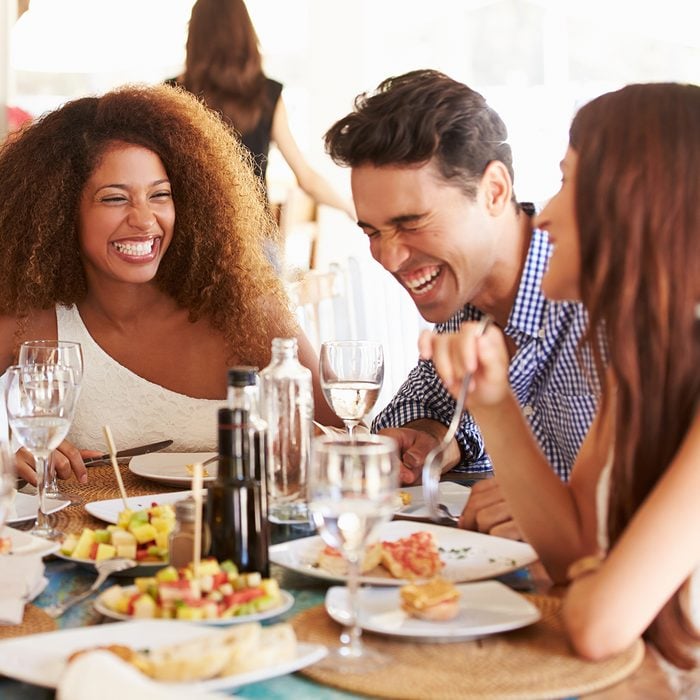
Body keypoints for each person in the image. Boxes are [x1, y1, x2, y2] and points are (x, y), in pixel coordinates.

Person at [422, 82, 700, 685]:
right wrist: (493, 406)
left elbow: (598, 625)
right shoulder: (638, 367)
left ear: (636, 202)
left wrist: (599, 578)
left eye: (570, 181)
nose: (543, 213)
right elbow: (570, 553)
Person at [0, 84, 342, 487]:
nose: (144, 220)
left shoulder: (246, 312)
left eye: (160, 195)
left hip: (234, 541)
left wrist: (294, 445)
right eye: (114, 199)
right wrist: (7, 452)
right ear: (59, 210)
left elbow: (345, 435)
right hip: (90, 547)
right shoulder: (33, 322)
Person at [324, 69, 598, 539]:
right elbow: (424, 403)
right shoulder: (463, 295)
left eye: (411, 223)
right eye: (372, 231)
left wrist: (560, 508)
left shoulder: (599, 299)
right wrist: (431, 436)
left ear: (493, 191)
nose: (388, 256)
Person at [169, 0, 354, 218]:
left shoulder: (170, 95)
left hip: (190, 235)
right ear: (245, 35)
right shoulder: (267, 94)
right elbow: (306, 179)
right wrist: (349, 208)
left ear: (193, 37)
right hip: (254, 237)